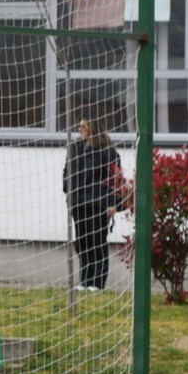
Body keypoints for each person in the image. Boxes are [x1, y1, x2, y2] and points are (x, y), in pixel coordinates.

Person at [64, 118, 122, 292]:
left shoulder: (108, 152)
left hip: (98, 204)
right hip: (79, 203)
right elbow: (67, 173)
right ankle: (85, 280)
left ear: (93, 127)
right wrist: (68, 191)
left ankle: (97, 283)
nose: (80, 128)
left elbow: (116, 179)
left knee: (97, 242)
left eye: (84, 126)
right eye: (79, 125)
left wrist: (114, 204)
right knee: (82, 243)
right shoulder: (75, 149)